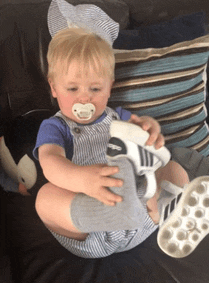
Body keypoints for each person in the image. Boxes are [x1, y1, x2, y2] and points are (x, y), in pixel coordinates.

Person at [33, 27, 189, 258]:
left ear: (110, 88)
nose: (84, 97)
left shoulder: (118, 116)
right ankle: (112, 214)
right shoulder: (55, 126)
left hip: (142, 214)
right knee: (44, 200)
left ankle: (172, 214)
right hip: (90, 225)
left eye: (95, 88)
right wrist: (81, 179)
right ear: (54, 88)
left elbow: (143, 135)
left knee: (174, 170)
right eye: (72, 88)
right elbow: (50, 161)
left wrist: (149, 128)